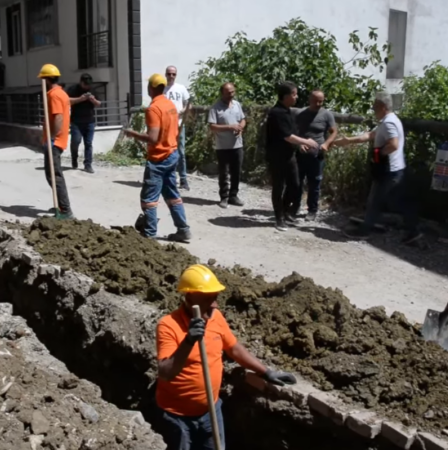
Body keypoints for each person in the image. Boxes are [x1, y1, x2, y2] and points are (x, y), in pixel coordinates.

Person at [156, 264, 297, 449]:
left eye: (215, 297)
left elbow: (234, 348)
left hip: (210, 412)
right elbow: (165, 372)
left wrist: (265, 372)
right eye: (208, 298)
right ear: (190, 296)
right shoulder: (168, 325)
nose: (215, 304)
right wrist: (188, 341)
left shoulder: (216, 317)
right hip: (178, 417)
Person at [333, 92, 421, 243]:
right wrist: (348, 140)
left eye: (374, 107)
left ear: (382, 106)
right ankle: (412, 232)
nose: (373, 110)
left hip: (389, 170)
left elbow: (393, 144)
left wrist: (379, 154)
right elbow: (370, 135)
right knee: (394, 202)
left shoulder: (389, 123)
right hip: (395, 169)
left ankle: (365, 230)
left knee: (375, 201)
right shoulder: (388, 121)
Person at [124, 74, 192, 243]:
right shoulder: (170, 105)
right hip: (171, 154)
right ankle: (183, 229)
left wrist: (133, 134)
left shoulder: (153, 109)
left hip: (159, 158)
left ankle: (150, 233)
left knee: (149, 198)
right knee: (172, 194)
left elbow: (153, 138)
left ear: (151, 89)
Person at [265, 81, 319, 232]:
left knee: (295, 185)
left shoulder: (288, 110)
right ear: (286, 96)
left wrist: (299, 144)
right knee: (278, 186)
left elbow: (292, 133)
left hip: (289, 154)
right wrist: (306, 141)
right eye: (294, 94)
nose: (297, 97)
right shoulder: (277, 113)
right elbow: (287, 136)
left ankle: (285, 212)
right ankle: (279, 218)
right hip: (276, 156)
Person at [294, 90, 338, 221]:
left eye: (321, 101)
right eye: (316, 101)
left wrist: (326, 143)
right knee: (297, 182)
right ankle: (294, 206)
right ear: (310, 100)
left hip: (317, 155)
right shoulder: (301, 113)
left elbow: (334, 132)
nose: (318, 103)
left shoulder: (326, 115)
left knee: (315, 184)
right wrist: (299, 144)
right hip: (301, 154)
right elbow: (293, 131)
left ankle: (312, 210)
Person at [39, 64, 73, 219]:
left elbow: (58, 117)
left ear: (47, 79)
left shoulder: (53, 95)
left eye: (43, 79)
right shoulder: (61, 93)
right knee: (52, 174)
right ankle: (61, 205)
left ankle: (65, 210)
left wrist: (52, 137)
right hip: (58, 139)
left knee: (54, 175)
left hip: (55, 141)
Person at [207, 82, 246, 208]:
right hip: (222, 146)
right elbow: (212, 126)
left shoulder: (237, 104)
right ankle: (224, 197)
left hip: (237, 144)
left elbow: (243, 119)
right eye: (228, 93)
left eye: (233, 92)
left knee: (236, 172)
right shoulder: (215, 108)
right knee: (224, 173)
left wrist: (240, 127)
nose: (231, 95)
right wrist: (230, 127)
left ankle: (233, 196)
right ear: (222, 93)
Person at [67, 73, 101, 173]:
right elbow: (67, 101)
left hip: (89, 121)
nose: (87, 87)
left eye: (89, 85)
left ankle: (88, 165)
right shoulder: (73, 89)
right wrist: (80, 99)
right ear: (81, 82)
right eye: (85, 84)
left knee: (88, 143)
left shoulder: (92, 90)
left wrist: (93, 100)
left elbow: (99, 103)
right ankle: (74, 159)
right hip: (76, 122)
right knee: (76, 141)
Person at [164, 65, 191, 191]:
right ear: (166, 74)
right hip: (166, 125)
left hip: (179, 124)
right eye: (169, 74)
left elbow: (188, 104)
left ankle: (183, 179)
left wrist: (182, 111)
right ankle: (170, 179)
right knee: (168, 152)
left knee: (181, 152)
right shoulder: (162, 89)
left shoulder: (181, 88)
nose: (171, 76)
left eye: (173, 74)